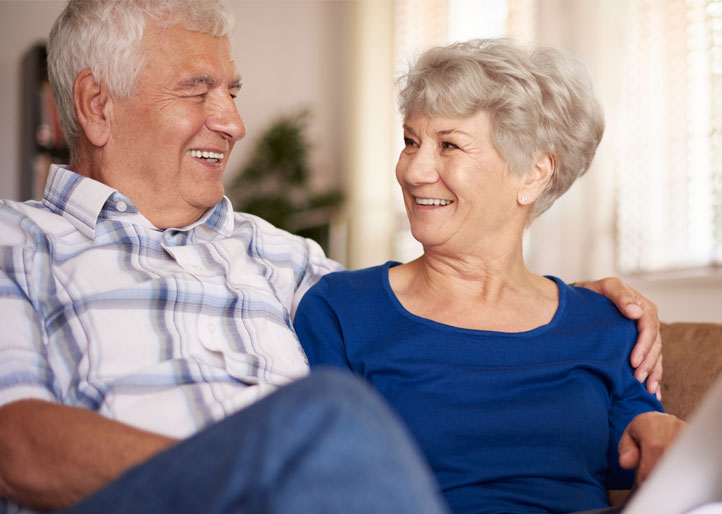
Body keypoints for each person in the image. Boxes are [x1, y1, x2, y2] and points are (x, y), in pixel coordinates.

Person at [0, 1, 660, 512]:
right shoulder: (17, 243)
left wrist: (580, 308)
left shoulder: (282, 258)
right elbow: (17, 445)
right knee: (334, 412)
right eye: (197, 91)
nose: (234, 122)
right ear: (94, 106)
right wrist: (268, 470)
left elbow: (442, 319)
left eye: (232, 91)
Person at [293, 39, 685, 514]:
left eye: (449, 145)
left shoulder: (607, 323)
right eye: (411, 141)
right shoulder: (341, 308)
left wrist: (663, 434)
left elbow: (644, 456)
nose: (414, 171)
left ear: (533, 174)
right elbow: (318, 479)